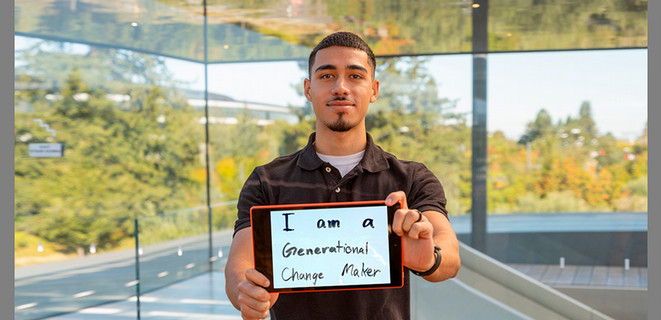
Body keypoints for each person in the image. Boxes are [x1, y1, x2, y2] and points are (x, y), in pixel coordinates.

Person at [224, 31, 460, 320]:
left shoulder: (412, 178)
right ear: (308, 89)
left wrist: (429, 259)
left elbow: (450, 255)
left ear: (374, 90)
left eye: (355, 76)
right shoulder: (267, 180)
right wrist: (246, 292)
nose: (341, 88)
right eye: (326, 76)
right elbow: (238, 265)